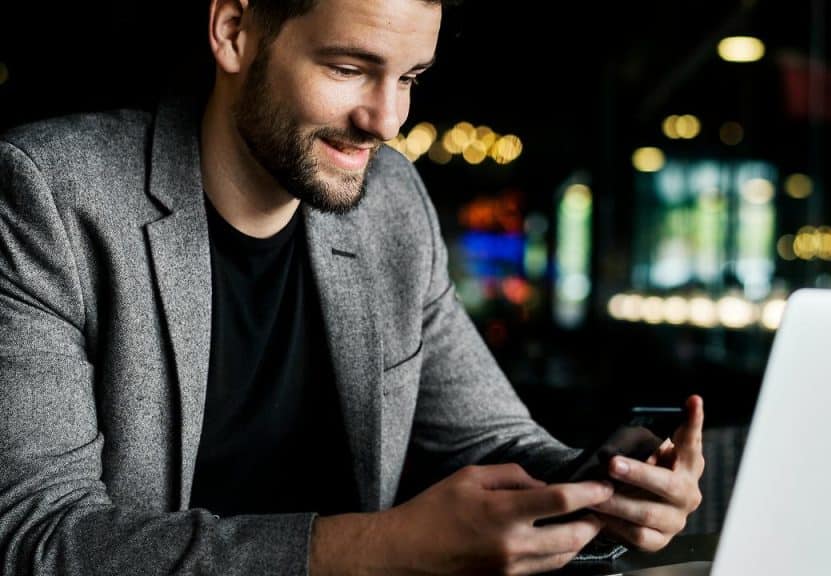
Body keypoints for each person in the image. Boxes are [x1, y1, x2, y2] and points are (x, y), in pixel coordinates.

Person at [0, 0, 705, 573]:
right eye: (348, 68)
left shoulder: (391, 202)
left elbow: (489, 438)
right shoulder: (51, 194)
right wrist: (381, 549)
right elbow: (39, 539)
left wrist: (613, 489)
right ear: (234, 32)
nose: (387, 120)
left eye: (409, 77)